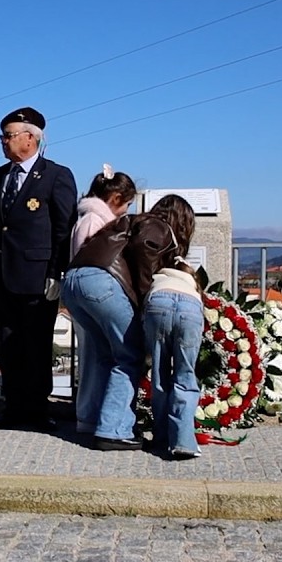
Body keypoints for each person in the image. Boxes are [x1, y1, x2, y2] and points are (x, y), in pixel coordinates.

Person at [0, 107, 76, 432]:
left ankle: (36, 409)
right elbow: (0, 222)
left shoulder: (55, 175)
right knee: (8, 344)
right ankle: (14, 406)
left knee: (35, 344)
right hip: (4, 272)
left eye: (9, 135)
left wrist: (56, 272)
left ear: (30, 138)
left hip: (37, 275)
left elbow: (64, 228)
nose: (3, 142)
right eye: (2, 136)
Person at [64, 194, 184, 450]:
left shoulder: (131, 220)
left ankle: (94, 420)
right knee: (130, 357)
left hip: (75, 281)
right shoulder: (157, 225)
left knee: (105, 355)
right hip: (103, 283)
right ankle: (113, 430)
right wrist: (145, 297)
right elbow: (144, 248)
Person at [69, 164, 137, 436]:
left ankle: (89, 415)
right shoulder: (98, 222)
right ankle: (93, 416)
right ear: (116, 199)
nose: (127, 211)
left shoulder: (84, 218)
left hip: (78, 294)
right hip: (96, 295)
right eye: (127, 204)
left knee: (92, 356)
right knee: (98, 357)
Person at [138, 194, 204, 460]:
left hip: (158, 301)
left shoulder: (152, 241)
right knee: (186, 374)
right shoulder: (185, 262)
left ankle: (161, 436)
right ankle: (184, 441)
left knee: (160, 373)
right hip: (189, 304)